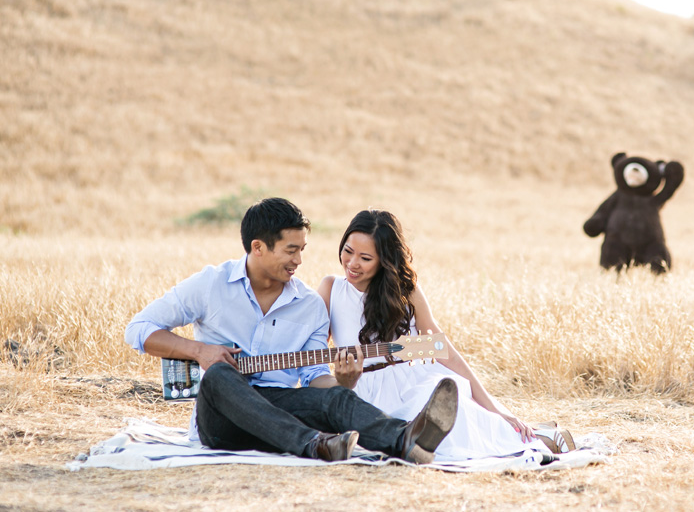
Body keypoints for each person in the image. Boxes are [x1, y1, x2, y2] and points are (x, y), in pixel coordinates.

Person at [124, 197, 458, 464]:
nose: (299, 260)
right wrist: (199, 351)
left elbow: (315, 374)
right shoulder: (211, 284)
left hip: (283, 410)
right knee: (219, 377)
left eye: (302, 250)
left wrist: (344, 381)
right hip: (221, 417)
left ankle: (405, 439)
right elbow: (139, 329)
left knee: (334, 399)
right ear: (258, 247)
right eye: (291, 250)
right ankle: (314, 445)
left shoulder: (310, 305)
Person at [318, 209, 551, 462]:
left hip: (412, 383)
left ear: (384, 260)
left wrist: (494, 408)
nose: (352, 264)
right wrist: (339, 385)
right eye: (348, 251)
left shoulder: (406, 291)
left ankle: (545, 437)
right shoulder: (331, 288)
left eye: (365, 258)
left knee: (450, 409)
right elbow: (314, 355)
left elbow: (443, 350)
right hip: (359, 388)